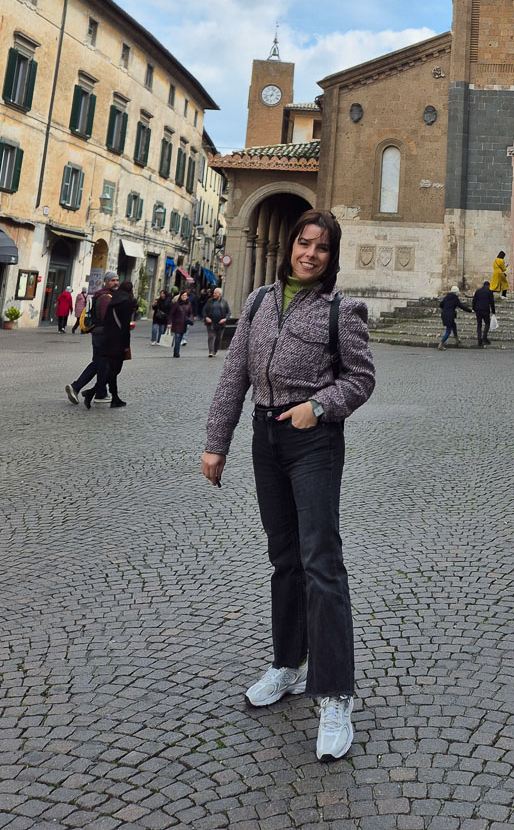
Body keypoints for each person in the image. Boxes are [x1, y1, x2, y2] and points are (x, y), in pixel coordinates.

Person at [202, 208, 375, 763]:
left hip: (313, 440)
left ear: (332, 256)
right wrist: (216, 441)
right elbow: (234, 375)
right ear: (291, 247)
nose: (310, 254)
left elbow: (361, 378)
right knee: (284, 560)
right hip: (265, 435)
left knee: (321, 561)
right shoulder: (256, 301)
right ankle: (287, 665)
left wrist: (319, 406)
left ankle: (335, 694)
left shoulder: (342, 311)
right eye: (304, 243)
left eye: (321, 248)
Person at [64, 273, 118, 405]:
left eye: (117, 280)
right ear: (106, 282)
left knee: (100, 364)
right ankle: (79, 387)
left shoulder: (101, 295)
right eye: (112, 280)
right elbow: (107, 318)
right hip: (104, 335)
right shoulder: (105, 298)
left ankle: (100, 393)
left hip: (99, 334)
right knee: (103, 364)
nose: (116, 283)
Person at [87, 278, 135, 407]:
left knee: (111, 369)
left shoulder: (113, 299)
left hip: (107, 338)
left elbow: (106, 320)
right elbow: (125, 327)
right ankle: (92, 392)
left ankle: (114, 397)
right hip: (118, 341)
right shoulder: (126, 302)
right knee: (114, 370)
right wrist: (126, 345)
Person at [204, 287, 231, 357]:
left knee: (218, 338)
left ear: (220, 294)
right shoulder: (209, 301)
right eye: (214, 293)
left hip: (220, 323)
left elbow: (228, 312)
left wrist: (225, 319)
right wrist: (206, 317)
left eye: (216, 293)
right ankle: (211, 351)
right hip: (211, 322)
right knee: (211, 336)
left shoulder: (224, 302)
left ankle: (215, 350)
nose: (214, 294)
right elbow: (204, 310)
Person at [471, 281, 495, 347]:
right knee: (487, 323)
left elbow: (474, 300)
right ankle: (484, 337)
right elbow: (492, 302)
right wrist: (493, 311)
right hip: (485, 310)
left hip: (478, 310)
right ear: (488, 285)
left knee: (479, 324)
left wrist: (473, 308)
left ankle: (479, 340)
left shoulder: (478, 291)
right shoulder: (489, 291)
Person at [168, 290, 191, 357]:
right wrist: (169, 322)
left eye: (185, 296)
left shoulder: (188, 304)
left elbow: (190, 313)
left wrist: (190, 319)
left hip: (184, 324)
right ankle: (176, 353)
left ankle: (176, 351)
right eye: (183, 295)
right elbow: (171, 314)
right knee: (177, 338)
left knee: (180, 338)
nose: (184, 297)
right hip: (177, 324)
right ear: (180, 296)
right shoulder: (176, 304)